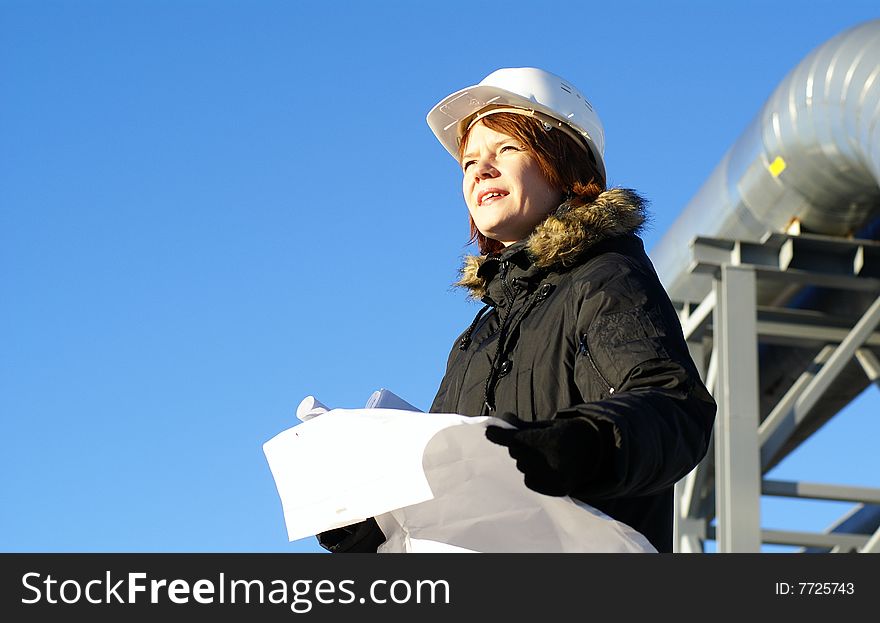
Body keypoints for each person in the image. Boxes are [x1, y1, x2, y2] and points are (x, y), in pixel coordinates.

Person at [319, 67, 716, 553]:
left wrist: (586, 443)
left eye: (505, 149)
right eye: (469, 162)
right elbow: (447, 486)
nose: (481, 170)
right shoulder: (477, 338)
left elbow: (673, 407)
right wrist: (373, 513)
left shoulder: (605, 277)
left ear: (568, 167)